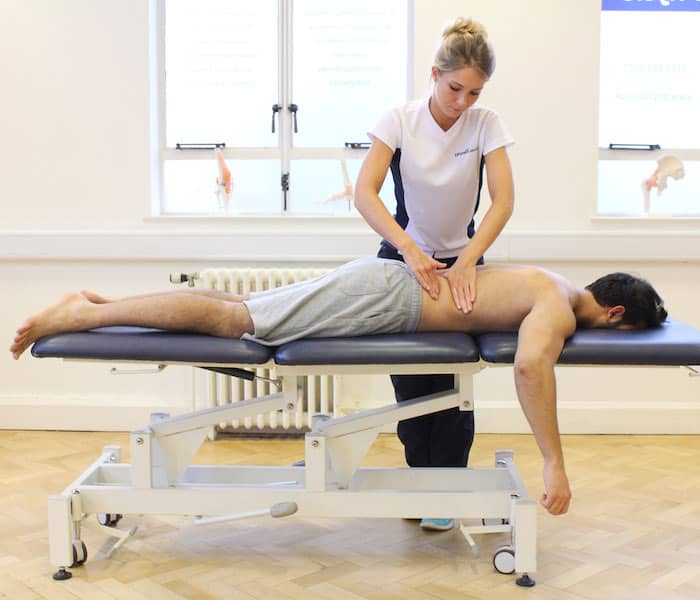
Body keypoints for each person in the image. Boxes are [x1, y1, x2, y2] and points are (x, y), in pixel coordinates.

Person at [10, 257, 667, 517]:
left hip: (384, 292)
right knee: (239, 321)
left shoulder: (548, 280)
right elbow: (529, 366)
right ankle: (86, 315)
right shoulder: (555, 303)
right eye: (624, 333)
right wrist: (554, 460)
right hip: (386, 300)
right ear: (614, 315)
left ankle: (101, 302)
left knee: (244, 312)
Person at [353, 17, 515, 528]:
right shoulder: (398, 120)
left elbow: (503, 201)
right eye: (455, 88)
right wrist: (406, 248)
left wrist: (467, 258)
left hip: (464, 266)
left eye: (474, 91)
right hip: (403, 260)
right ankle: (422, 484)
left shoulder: (486, 123)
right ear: (434, 74)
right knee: (411, 382)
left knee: (454, 378)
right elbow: (365, 192)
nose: (463, 101)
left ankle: (447, 489)